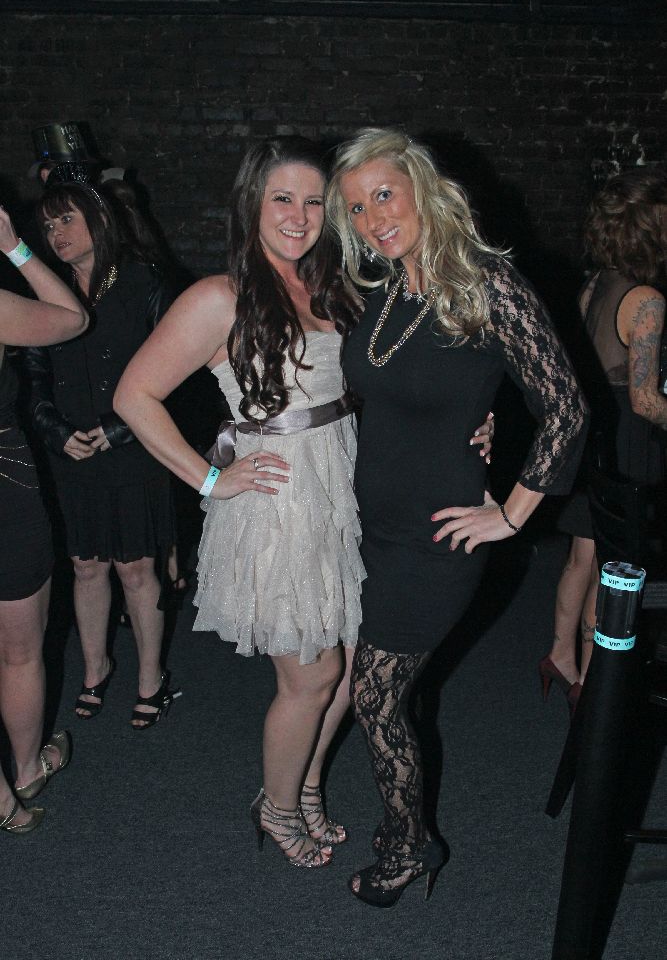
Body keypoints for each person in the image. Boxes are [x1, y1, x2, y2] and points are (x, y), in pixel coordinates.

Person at [113, 136, 494, 867]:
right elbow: (135, 395)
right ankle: (277, 808)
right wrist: (209, 480)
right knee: (312, 674)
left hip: (344, 486)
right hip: (279, 500)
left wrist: (476, 418)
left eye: (314, 201)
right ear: (251, 205)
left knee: (350, 666)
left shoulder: (337, 289)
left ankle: (308, 785)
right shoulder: (218, 296)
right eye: (281, 198)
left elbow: (404, 375)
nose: (298, 215)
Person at [326, 127, 588, 905]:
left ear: (420, 187)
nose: (373, 218)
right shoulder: (387, 289)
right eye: (356, 207)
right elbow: (416, 390)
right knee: (379, 691)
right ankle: (407, 836)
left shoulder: (485, 282)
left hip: (438, 535)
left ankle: (410, 846)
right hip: (377, 525)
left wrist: (512, 512)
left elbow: (566, 408)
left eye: (383, 194)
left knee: (375, 696)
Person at [23, 181, 176, 730]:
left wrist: (119, 429)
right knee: (86, 566)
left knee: (136, 568)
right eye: (48, 226)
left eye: (66, 219)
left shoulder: (143, 281)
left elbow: (177, 372)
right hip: (71, 451)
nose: (56, 234)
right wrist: (54, 431)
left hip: (133, 446)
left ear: (99, 219)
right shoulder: (47, 288)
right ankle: (96, 668)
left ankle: (151, 677)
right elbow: (33, 378)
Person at [540, 166, 667, 711]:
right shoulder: (646, 299)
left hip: (591, 435)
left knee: (581, 557)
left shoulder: (594, 283)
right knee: (614, 569)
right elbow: (646, 401)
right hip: (626, 444)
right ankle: (593, 682)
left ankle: (559, 656)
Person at [0, 207, 88, 834]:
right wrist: (15, 248)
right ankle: (27, 770)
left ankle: (6, 800)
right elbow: (71, 318)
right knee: (20, 652)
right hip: (7, 488)